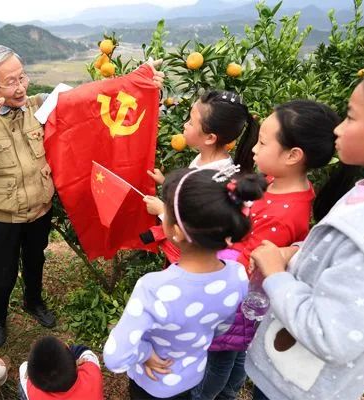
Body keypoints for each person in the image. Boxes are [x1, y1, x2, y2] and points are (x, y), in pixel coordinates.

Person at [244, 51, 364, 399]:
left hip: (299, 388)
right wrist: (299, 252)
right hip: (290, 370)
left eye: (350, 118)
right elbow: (339, 258)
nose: (338, 129)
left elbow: (331, 335)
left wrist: (276, 275)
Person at [0, 45, 164, 347]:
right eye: (11, 82)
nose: (21, 87)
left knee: (36, 260)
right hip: (4, 215)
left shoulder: (40, 105)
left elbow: (92, 101)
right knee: (3, 273)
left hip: (40, 208)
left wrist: (140, 83)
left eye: (22, 77)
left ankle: (33, 301)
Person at [192, 100, 340, 400]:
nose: (255, 149)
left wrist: (215, 246)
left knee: (221, 356)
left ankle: (201, 396)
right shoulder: (281, 183)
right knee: (236, 353)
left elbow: (251, 260)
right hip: (249, 299)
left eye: (262, 142)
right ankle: (229, 392)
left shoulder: (284, 213)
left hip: (242, 298)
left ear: (293, 155)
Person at [103, 167, 267, 399]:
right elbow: (222, 327)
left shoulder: (153, 288)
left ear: (177, 232)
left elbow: (115, 356)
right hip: (191, 377)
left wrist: (144, 352)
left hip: (153, 384)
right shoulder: (238, 275)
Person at [142, 90, 258, 264]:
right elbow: (192, 195)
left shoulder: (218, 178)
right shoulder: (204, 160)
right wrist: (166, 182)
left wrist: (163, 211)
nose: (185, 125)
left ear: (210, 137)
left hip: (197, 262)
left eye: (190, 122)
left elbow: (198, 230)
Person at [19, 336, 103, 400]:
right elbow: (86, 353)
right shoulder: (92, 374)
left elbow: (23, 368)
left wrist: (27, 367)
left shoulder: (32, 391)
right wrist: (73, 362)